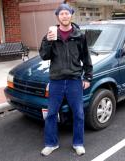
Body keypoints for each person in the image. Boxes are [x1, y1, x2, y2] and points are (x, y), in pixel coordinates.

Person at [39, 3, 93, 156]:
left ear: (71, 15)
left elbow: (86, 58)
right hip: (56, 81)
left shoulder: (79, 36)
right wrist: (48, 41)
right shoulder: (50, 35)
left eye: (67, 13)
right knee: (51, 114)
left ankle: (78, 143)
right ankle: (51, 143)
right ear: (57, 16)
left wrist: (88, 76)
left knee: (78, 114)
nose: (64, 16)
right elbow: (44, 56)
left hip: (74, 80)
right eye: (61, 13)